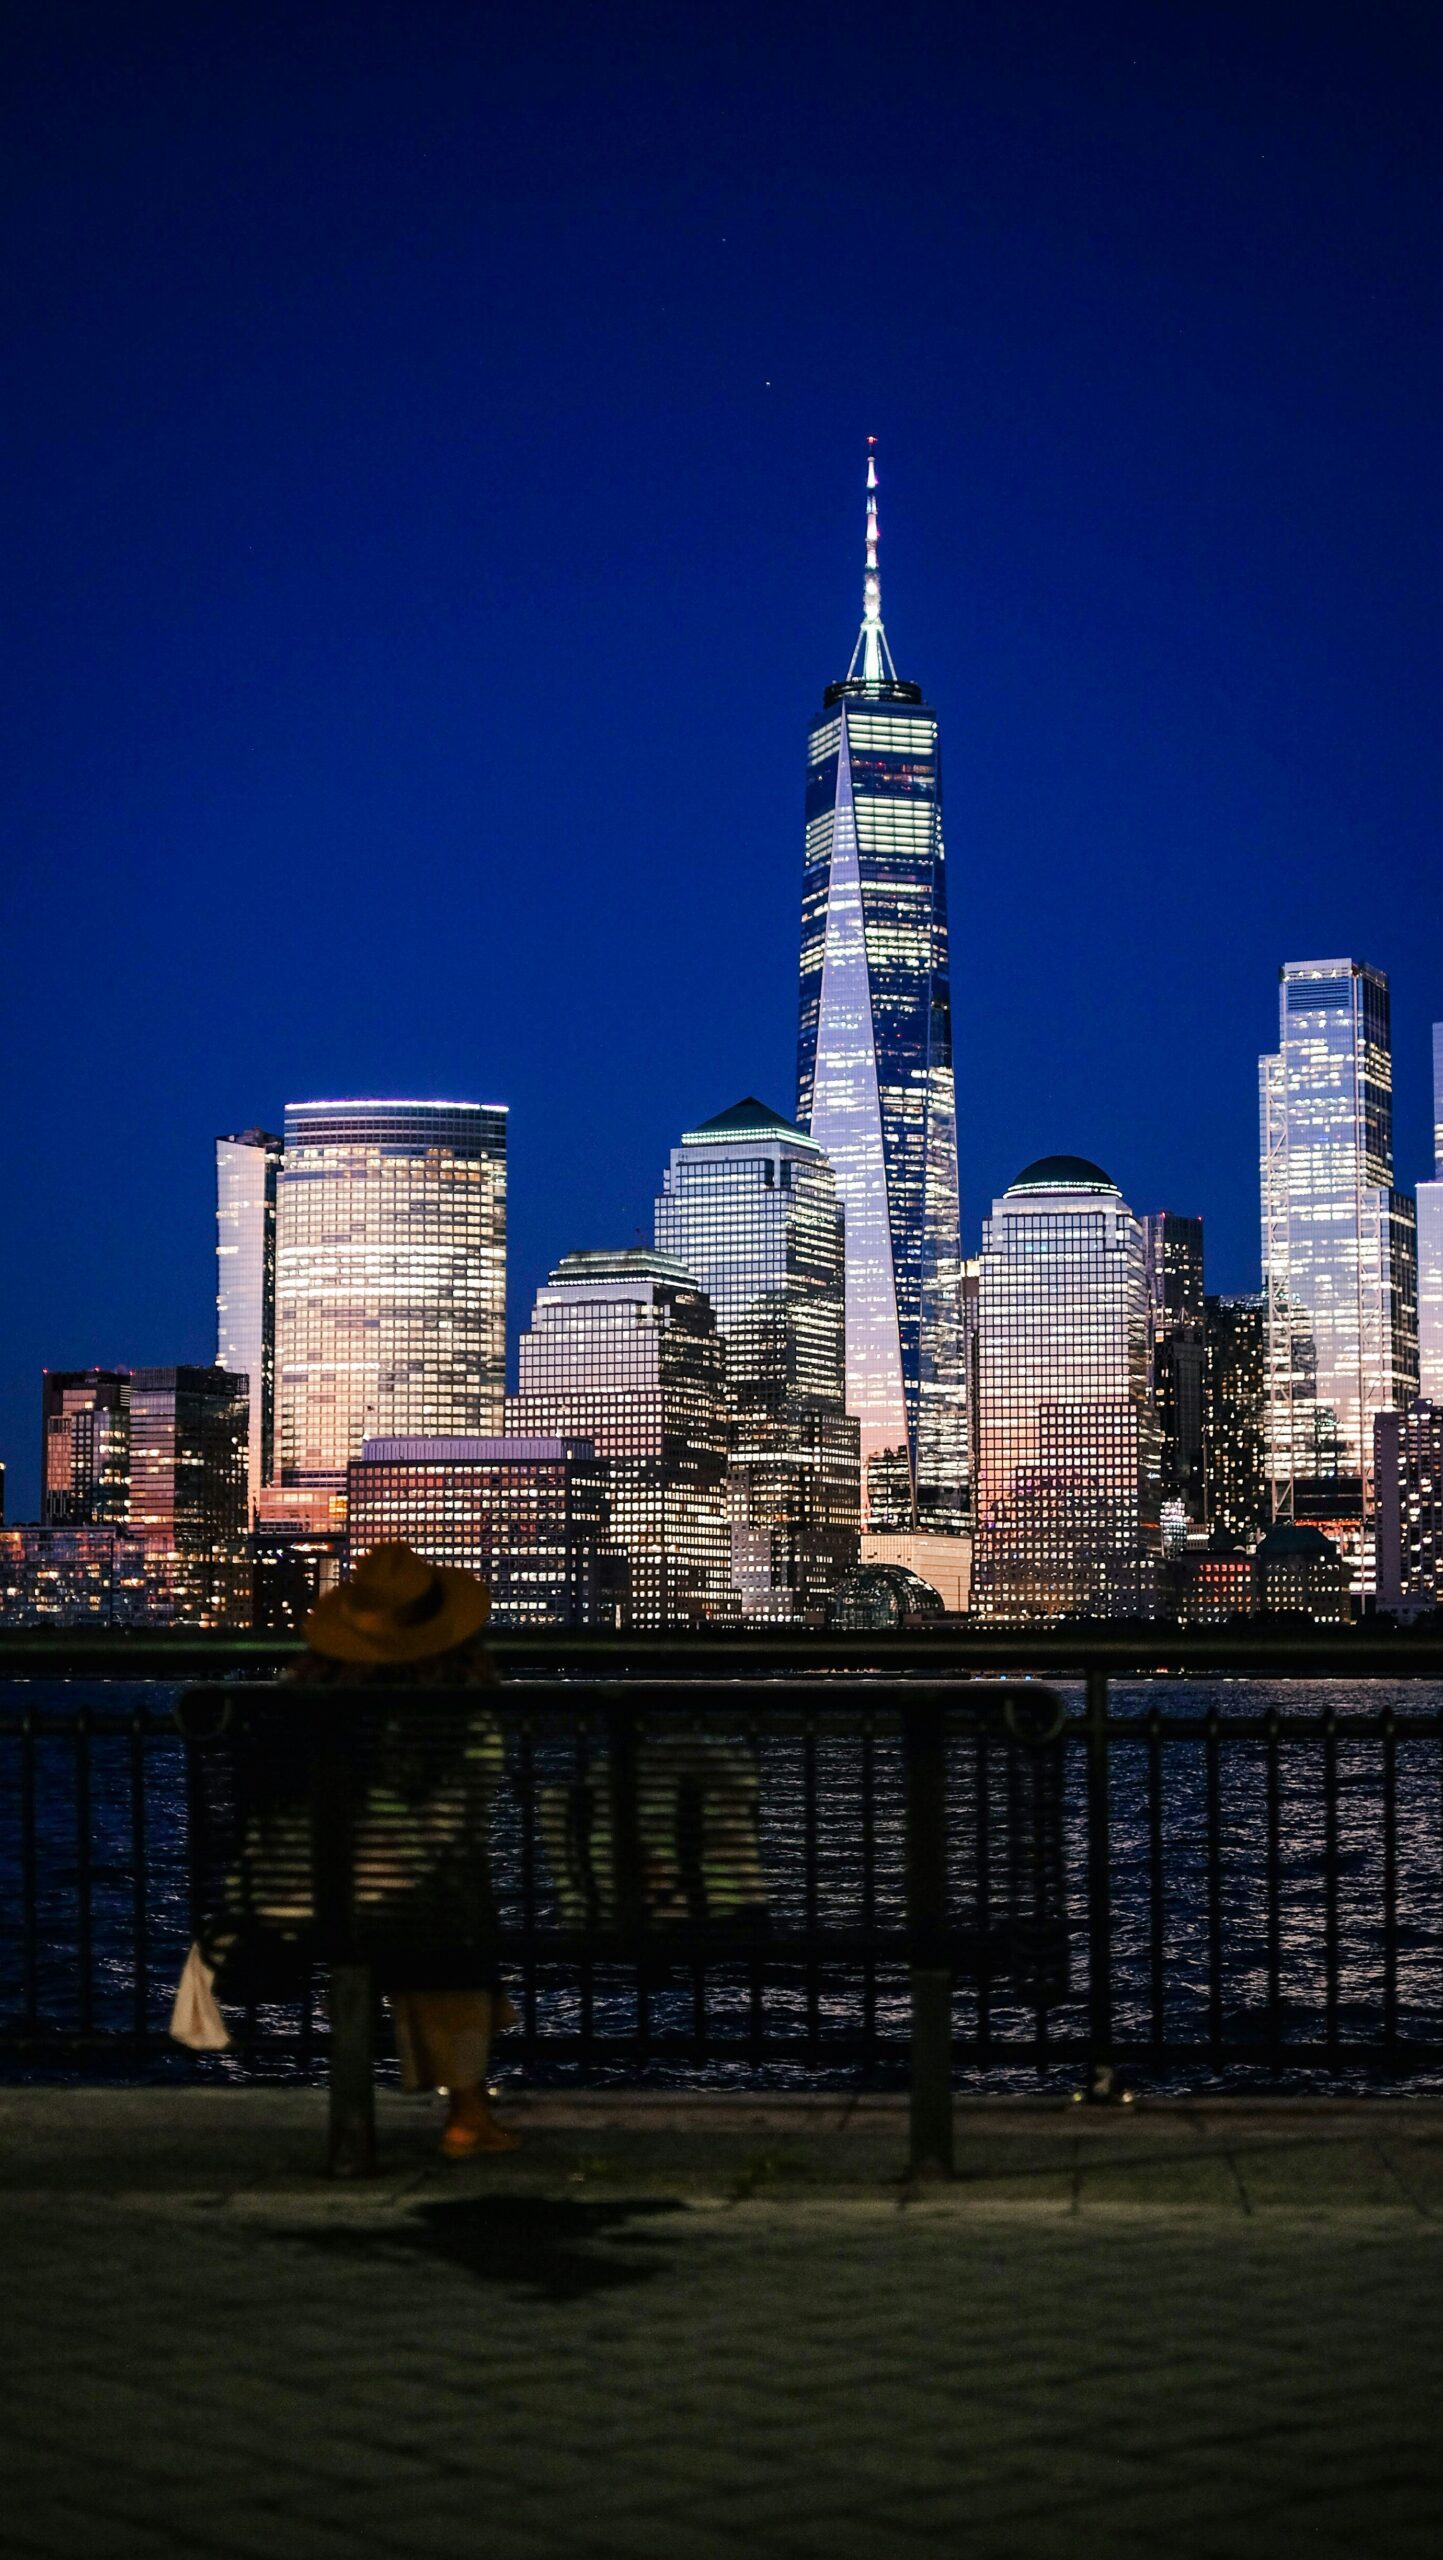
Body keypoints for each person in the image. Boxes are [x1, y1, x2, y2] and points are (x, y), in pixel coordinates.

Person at [287, 1543, 519, 2158]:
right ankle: (468, 2109)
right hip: (419, 1907)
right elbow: (451, 1827)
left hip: (309, 1899)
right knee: (448, 1913)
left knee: (411, 1909)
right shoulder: (457, 1714)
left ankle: (461, 2104)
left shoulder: (305, 1703)